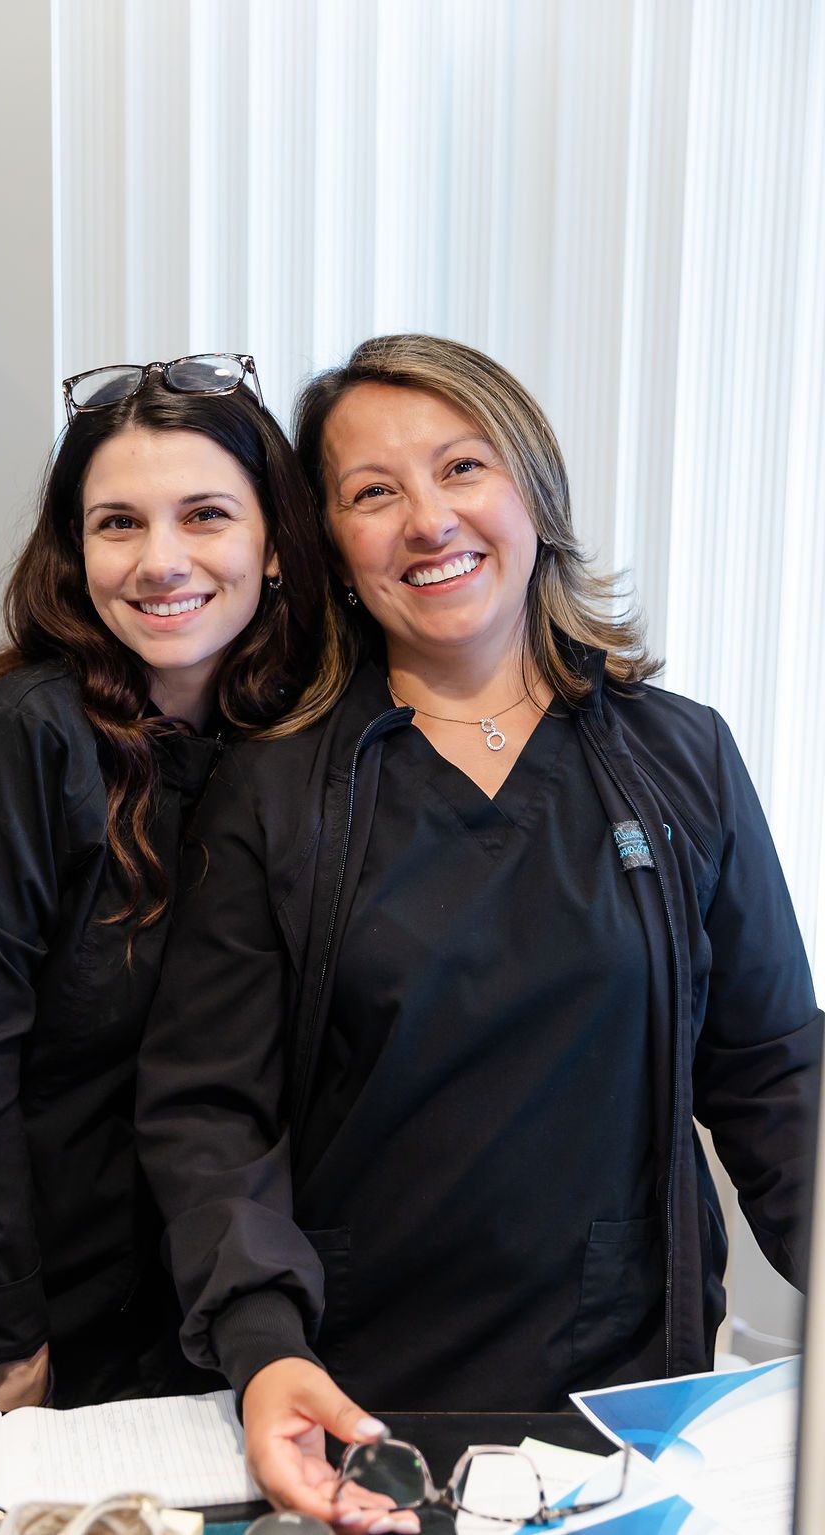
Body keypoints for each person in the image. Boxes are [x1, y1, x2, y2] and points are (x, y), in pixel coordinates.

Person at [135, 334, 823, 1516]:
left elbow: (773, 1073)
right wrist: (262, 1339)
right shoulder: (276, 788)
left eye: (461, 467)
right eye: (370, 493)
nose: (425, 520)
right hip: (354, 1400)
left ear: (532, 494)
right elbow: (210, 1109)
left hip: (625, 1400)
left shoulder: (679, 756)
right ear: (335, 553)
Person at [0, 354, 348, 1411]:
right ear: (75, 551)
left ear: (275, 543)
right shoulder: (30, 737)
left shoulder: (310, 736)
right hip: (52, 1313)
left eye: (204, 514)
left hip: (247, 1302)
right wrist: (8, 1339)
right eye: (117, 523)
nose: (160, 561)